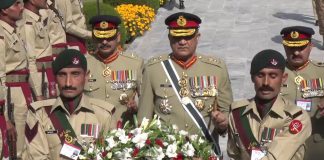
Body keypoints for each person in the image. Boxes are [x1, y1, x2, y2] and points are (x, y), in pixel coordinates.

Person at [138, 12, 233, 157]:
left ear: (197, 37)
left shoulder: (216, 69)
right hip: (166, 153)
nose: (182, 42)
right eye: (177, 37)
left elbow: (227, 114)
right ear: (169, 38)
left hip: (205, 153)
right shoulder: (153, 69)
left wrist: (222, 123)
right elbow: (144, 119)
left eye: (188, 36)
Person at [23, 49, 116, 159]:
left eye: (75, 74)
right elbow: (36, 156)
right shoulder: (40, 113)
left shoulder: (103, 114)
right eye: (62, 75)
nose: (68, 83)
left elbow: (111, 154)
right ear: (55, 78)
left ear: (86, 76)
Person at [227, 49, 311, 160]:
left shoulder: (297, 117)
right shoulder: (237, 114)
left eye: (273, 76)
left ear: (283, 79)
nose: (266, 83)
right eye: (260, 75)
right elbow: (234, 154)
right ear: (252, 78)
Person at [85, 15, 143, 125]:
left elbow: (146, 101)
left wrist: (137, 107)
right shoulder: (84, 64)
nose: (105, 42)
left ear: (118, 37)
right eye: (100, 38)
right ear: (93, 37)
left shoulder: (135, 64)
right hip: (93, 130)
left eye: (109, 37)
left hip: (124, 132)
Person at [0, 0, 40, 158]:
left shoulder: (13, 31)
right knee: (16, 147)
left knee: (29, 142)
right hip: (12, 97)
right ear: (4, 10)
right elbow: (1, 77)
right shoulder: (2, 36)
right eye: (16, 4)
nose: (22, 7)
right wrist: (5, 117)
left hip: (23, 92)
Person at [280, 26, 324, 160]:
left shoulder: (321, 72)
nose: (297, 52)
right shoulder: (275, 73)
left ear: (311, 46)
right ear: (284, 47)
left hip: (315, 142)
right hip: (283, 143)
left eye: (301, 48)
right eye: (291, 48)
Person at [17, 0, 57, 100]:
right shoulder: (27, 23)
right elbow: (30, 60)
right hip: (40, 78)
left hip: (49, 74)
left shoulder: (38, 18)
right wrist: (38, 93)